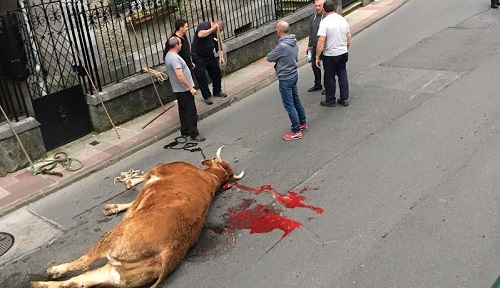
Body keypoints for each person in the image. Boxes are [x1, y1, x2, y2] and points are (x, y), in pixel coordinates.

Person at [266, 21, 307, 141]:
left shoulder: (282, 46)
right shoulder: (293, 42)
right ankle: (302, 122)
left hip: (285, 77)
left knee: (289, 105)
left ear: (279, 30)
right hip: (293, 74)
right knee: (296, 100)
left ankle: (296, 130)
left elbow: (269, 57)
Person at [164, 36, 205, 142]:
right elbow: (180, 75)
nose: (181, 45)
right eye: (180, 43)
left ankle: (185, 129)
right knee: (191, 111)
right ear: (176, 45)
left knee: (183, 110)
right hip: (184, 89)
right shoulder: (174, 58)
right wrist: (190, 87)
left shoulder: (169, 55)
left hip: (178, 89)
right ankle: (194, 133)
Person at [315, 0, 351, 107]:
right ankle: (344, 98)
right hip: (343, 52)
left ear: (325, 9)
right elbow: (348, 36)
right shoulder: (342, 19)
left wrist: (317, 56)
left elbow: (321, 41)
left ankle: (330, 99)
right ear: (334, 8)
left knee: (329, 77)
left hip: (330, 54)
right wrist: (346, 47)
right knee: (342, 74)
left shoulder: (325, 22)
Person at [191, 20, 227, 105]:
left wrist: (221, 57)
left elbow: (219, 47)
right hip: (198, 55)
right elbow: (200, 34)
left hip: (209, 55)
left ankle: (217, 90)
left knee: (216, 71)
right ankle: (207, 96)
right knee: (201, 76)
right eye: (217, 30)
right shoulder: (204, 25)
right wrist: (212, 29)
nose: (217, 32)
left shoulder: (216, 34)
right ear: (215, 25)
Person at [306, 0, 325, 93]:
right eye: (316, 6)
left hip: (324, 47)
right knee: (314, 66)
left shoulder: (326, 18)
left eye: (319, 6)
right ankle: (318, 84)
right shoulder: (313, 17)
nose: (317, 8)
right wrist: (309, 45)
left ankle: (327, 86)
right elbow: (311, 31)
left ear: (324, 6)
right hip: (314, 46)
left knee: (327, 67)